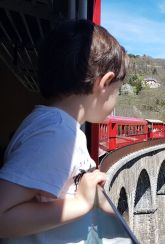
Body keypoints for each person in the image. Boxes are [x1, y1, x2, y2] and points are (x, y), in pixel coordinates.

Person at [0, 20, 128, 242]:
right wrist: (82, 203)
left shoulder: (57, 127)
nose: (116, 98)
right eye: (118, 90)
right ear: (105, 83)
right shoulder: (56, 132)